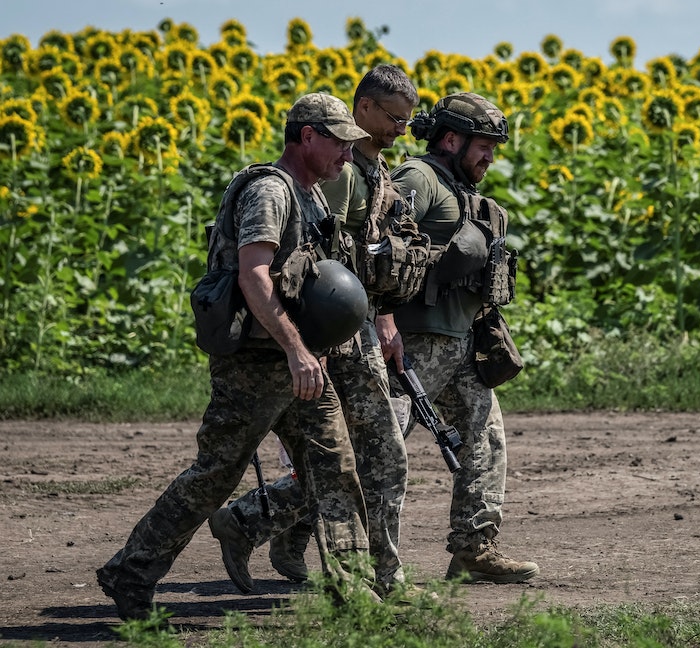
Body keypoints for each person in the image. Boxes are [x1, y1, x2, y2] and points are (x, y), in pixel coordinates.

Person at [96, 92, 377, 621]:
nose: (347, 154)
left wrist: (308, 350)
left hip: (298, 361)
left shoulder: (312, 194)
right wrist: (296, 350)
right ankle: (129, 572)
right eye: (339, 142)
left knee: (335, 465)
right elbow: (254, 274)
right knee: (216, 474)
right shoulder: (271, 191)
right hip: (256, 363)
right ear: (308, 136)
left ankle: (355, 590)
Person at [208, 65, 427, 601]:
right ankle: (373, 580)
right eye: (395, 118)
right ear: (364, 109)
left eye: (408, 120)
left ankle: (257, 525)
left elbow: (364, 258)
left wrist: (385, 315)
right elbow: (323, 265)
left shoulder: (372, 169)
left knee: (347, 456)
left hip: (353, 328)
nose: (403, 129)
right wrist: (315, 342)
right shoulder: (338, 172)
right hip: (336, 334)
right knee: (364, 456)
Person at [383, 92, 539, 584]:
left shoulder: (464, 190)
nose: (490, 157)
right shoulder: (418, 179)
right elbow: (381, 253)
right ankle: (253, 517)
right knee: (378, 450)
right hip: (413, 344)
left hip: (462, 343)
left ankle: (474, 548)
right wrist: (443, 261)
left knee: (485, 441)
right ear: (450, 139)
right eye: (484, 146)